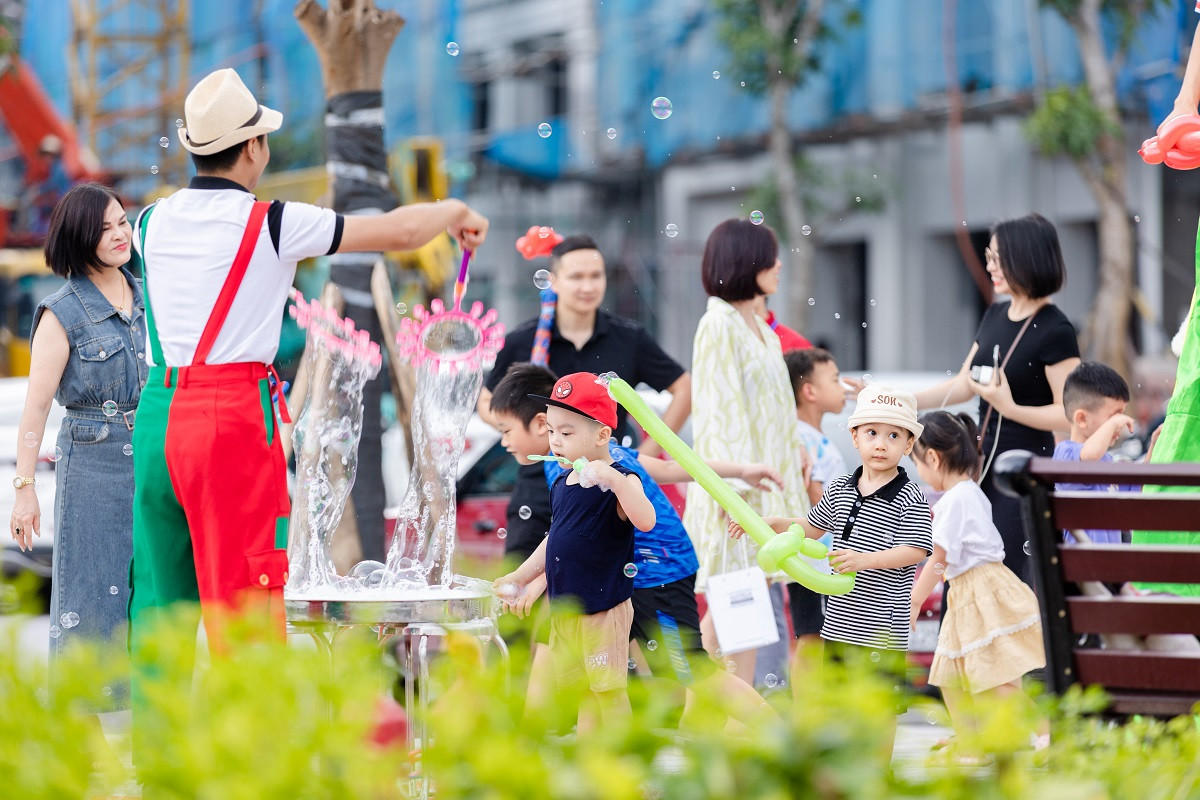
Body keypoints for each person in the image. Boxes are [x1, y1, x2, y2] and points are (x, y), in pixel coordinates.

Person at [129, 68, 488, 758]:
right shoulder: (272, 221)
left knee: (159, 606)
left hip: (156, 412)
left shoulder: (150, 221)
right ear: (256, 148)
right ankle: (255, 764)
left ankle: (157, 763)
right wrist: (453, 210)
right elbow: (400, 229)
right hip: (231, 416)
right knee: (243, 606)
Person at [489, 363, 781, 726]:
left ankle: (773, 730)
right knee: (589, 681)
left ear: (599, 435)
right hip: (608, 580)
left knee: (689, 670)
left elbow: (672, 469)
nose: (504, 441)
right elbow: (567, 538)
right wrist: (531, 581)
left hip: (658, 568)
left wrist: (740, 470)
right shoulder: (567, 470)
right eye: (552, 430)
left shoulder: (607, 466)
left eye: (506, 430)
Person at [733, 386, 933, 756]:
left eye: (894, 435)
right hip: (840, 622)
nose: (881, 444)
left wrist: (864, 560)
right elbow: (811, 527)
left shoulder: (910, 495)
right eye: (872, 433)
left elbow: (917, 549)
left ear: (908, 445)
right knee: (841, 706)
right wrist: (774, 522)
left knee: (880, 707)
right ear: (855, 436)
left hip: (882, 628)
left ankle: (879, 776)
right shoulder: (841, 488)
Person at [9, 183, 147, 702]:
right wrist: (25, 488)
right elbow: (37, 407)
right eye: (105, 228)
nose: (119, 234)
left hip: (153, 456)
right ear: (80, 237)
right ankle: (86, 725)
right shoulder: (60, 312)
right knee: (90, 595)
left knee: (149, 592)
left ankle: (149, 716)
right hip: (93, 461)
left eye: (122, 222)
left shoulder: (146, 295)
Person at [478, 234, 691, 567]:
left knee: (603, 597)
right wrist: (535, 429)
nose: (588, 285)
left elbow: (684, 388)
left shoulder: (629, 338)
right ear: (553, 281)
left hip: (606, 479)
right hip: (539, 480)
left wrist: (645, 453)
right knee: (521, 595)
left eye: (596, 275)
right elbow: (487, 401)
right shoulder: (524, 340)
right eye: (576, 276)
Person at [914, 213, 1080, 583]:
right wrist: (902, 400)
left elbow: (1073, 413)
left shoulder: (1056, 329)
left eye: (998, 258)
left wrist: (1012, 408)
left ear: (1028, 258)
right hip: (979, 465)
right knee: (960, 569)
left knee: (1003, 577)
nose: (990, 266)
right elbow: (964, 383)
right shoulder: (995, 314)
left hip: (1023, 472)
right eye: (988, 257)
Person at [685, 218, 811, 682]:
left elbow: (773, 409)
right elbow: (718, 411)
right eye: (767, 256)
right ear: (744, 261)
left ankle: (713, 713)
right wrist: (731, 488)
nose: (778, 265)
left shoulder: (760, 328)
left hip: (767, 489)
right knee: (739, 617)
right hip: (740, 494)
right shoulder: (717, 324)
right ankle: (731, 718)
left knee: (739, 616)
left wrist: (796, 448)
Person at [494, 372, 656, 733]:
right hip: (567, 610)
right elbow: (555, 540)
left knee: (609, 692)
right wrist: (520, 577)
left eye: (566, 433)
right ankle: (589, 764)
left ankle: (621, 764)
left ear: (601, 435)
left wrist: (614, 480)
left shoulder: (621, 477)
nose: (556, 442)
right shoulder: (563, 481)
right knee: (582, 692)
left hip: (602, 608)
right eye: (551, 432)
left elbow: (645, 520)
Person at [909, 411, 1048, 761]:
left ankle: (1046, 731)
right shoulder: (968, 492)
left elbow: (938, 558)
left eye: (918, 466)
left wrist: (912, 602)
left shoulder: (955, 499)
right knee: (950, 676)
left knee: (994, 680)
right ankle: (970, 739)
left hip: (979, 591)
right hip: (967, 592)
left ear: (933, 458)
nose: (920, 476)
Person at [781, 348, 849, 693]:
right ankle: (806, 719)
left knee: (812, 636)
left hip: (811, 557)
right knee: (813, 637)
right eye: (835, 380)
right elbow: (821, 500)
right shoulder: (806, 438)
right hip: (815, 560)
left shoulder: (806, 435)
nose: (844, 387)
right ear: (809, 392)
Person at [1054, 362, 1134, 545]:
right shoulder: (1065, 454)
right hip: (1080, 567)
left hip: (1109, 567)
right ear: (1082, 419)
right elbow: (1089, 456)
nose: (1120, 423)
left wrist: (1155, 444)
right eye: (1114, 416)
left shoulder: (1108, 461)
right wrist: (1113, 425)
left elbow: (1139, 489)